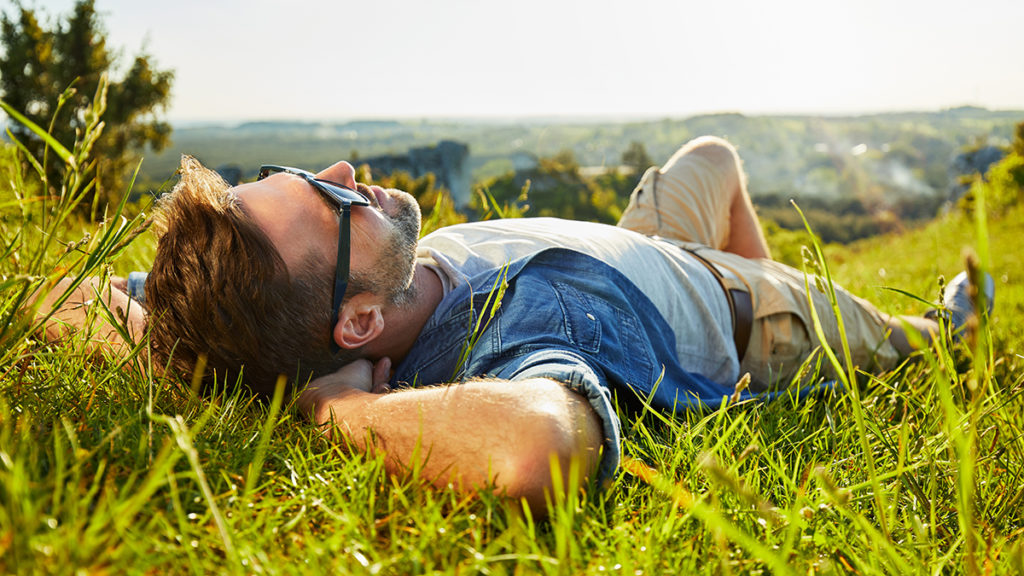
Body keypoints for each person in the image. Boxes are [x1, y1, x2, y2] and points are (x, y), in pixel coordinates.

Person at [36, 136, 991, 510]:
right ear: (360, 322)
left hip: (637, 239)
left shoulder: (277, 294)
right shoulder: (514, 329)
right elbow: (536, 450)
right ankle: (954, 321)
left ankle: (758, 258)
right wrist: (327, 413)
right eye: (332, 204)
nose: (339, 169)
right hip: (755, 314)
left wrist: (193, 358)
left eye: (297, 174)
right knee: (922, 339)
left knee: (712, 158)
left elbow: (56, 297)